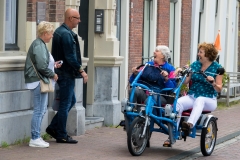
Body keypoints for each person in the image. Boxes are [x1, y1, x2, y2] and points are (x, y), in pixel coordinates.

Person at [163, 42, 223, 146]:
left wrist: (213, 82)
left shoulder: (217, 68)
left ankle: (189, 125)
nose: (198, 54)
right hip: (192, 96)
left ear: (208, 54)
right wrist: (183, 72)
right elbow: (186, 81)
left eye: (201, 52)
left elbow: (219, 89)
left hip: (209, 99)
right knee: (177, 103)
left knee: (200, 100)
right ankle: (173, 134)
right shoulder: (195, 65)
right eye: (199, 52)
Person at [46, 8, 88, 144]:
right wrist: (81, 70)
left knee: (70, 101)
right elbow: (70, 56)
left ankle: (53, 128)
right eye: (77, 18)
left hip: (63, 73)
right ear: (70, 18)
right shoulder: (65, 34)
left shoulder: (61, 31)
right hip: (66, 74)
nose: (79, 21)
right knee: (65, 104)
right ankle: (62, 135)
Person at [24, 21, 62, 148]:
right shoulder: (39, 45)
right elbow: (41, 66)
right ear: (45, 33)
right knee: (39, 110)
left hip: (38, 80)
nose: (52, 36)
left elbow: (43, 63)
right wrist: (53, 74)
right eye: (51, 33)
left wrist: (53, 65)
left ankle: (36, 137)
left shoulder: (40, 44)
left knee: (41, 109)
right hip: (38, 80)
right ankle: (35, 137)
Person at [129, 45, 176, 110]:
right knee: (133, 90)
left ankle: (145, 118)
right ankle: (131, 112)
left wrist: (166, 78)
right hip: (145, 94)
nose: (154, 52)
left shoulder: (171, 69)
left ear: (163, 56)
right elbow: (132, 82)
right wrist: (135, 74)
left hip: (160, 96)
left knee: (149, 100)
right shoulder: (147, 65)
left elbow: (172, 89)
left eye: (157, 51)